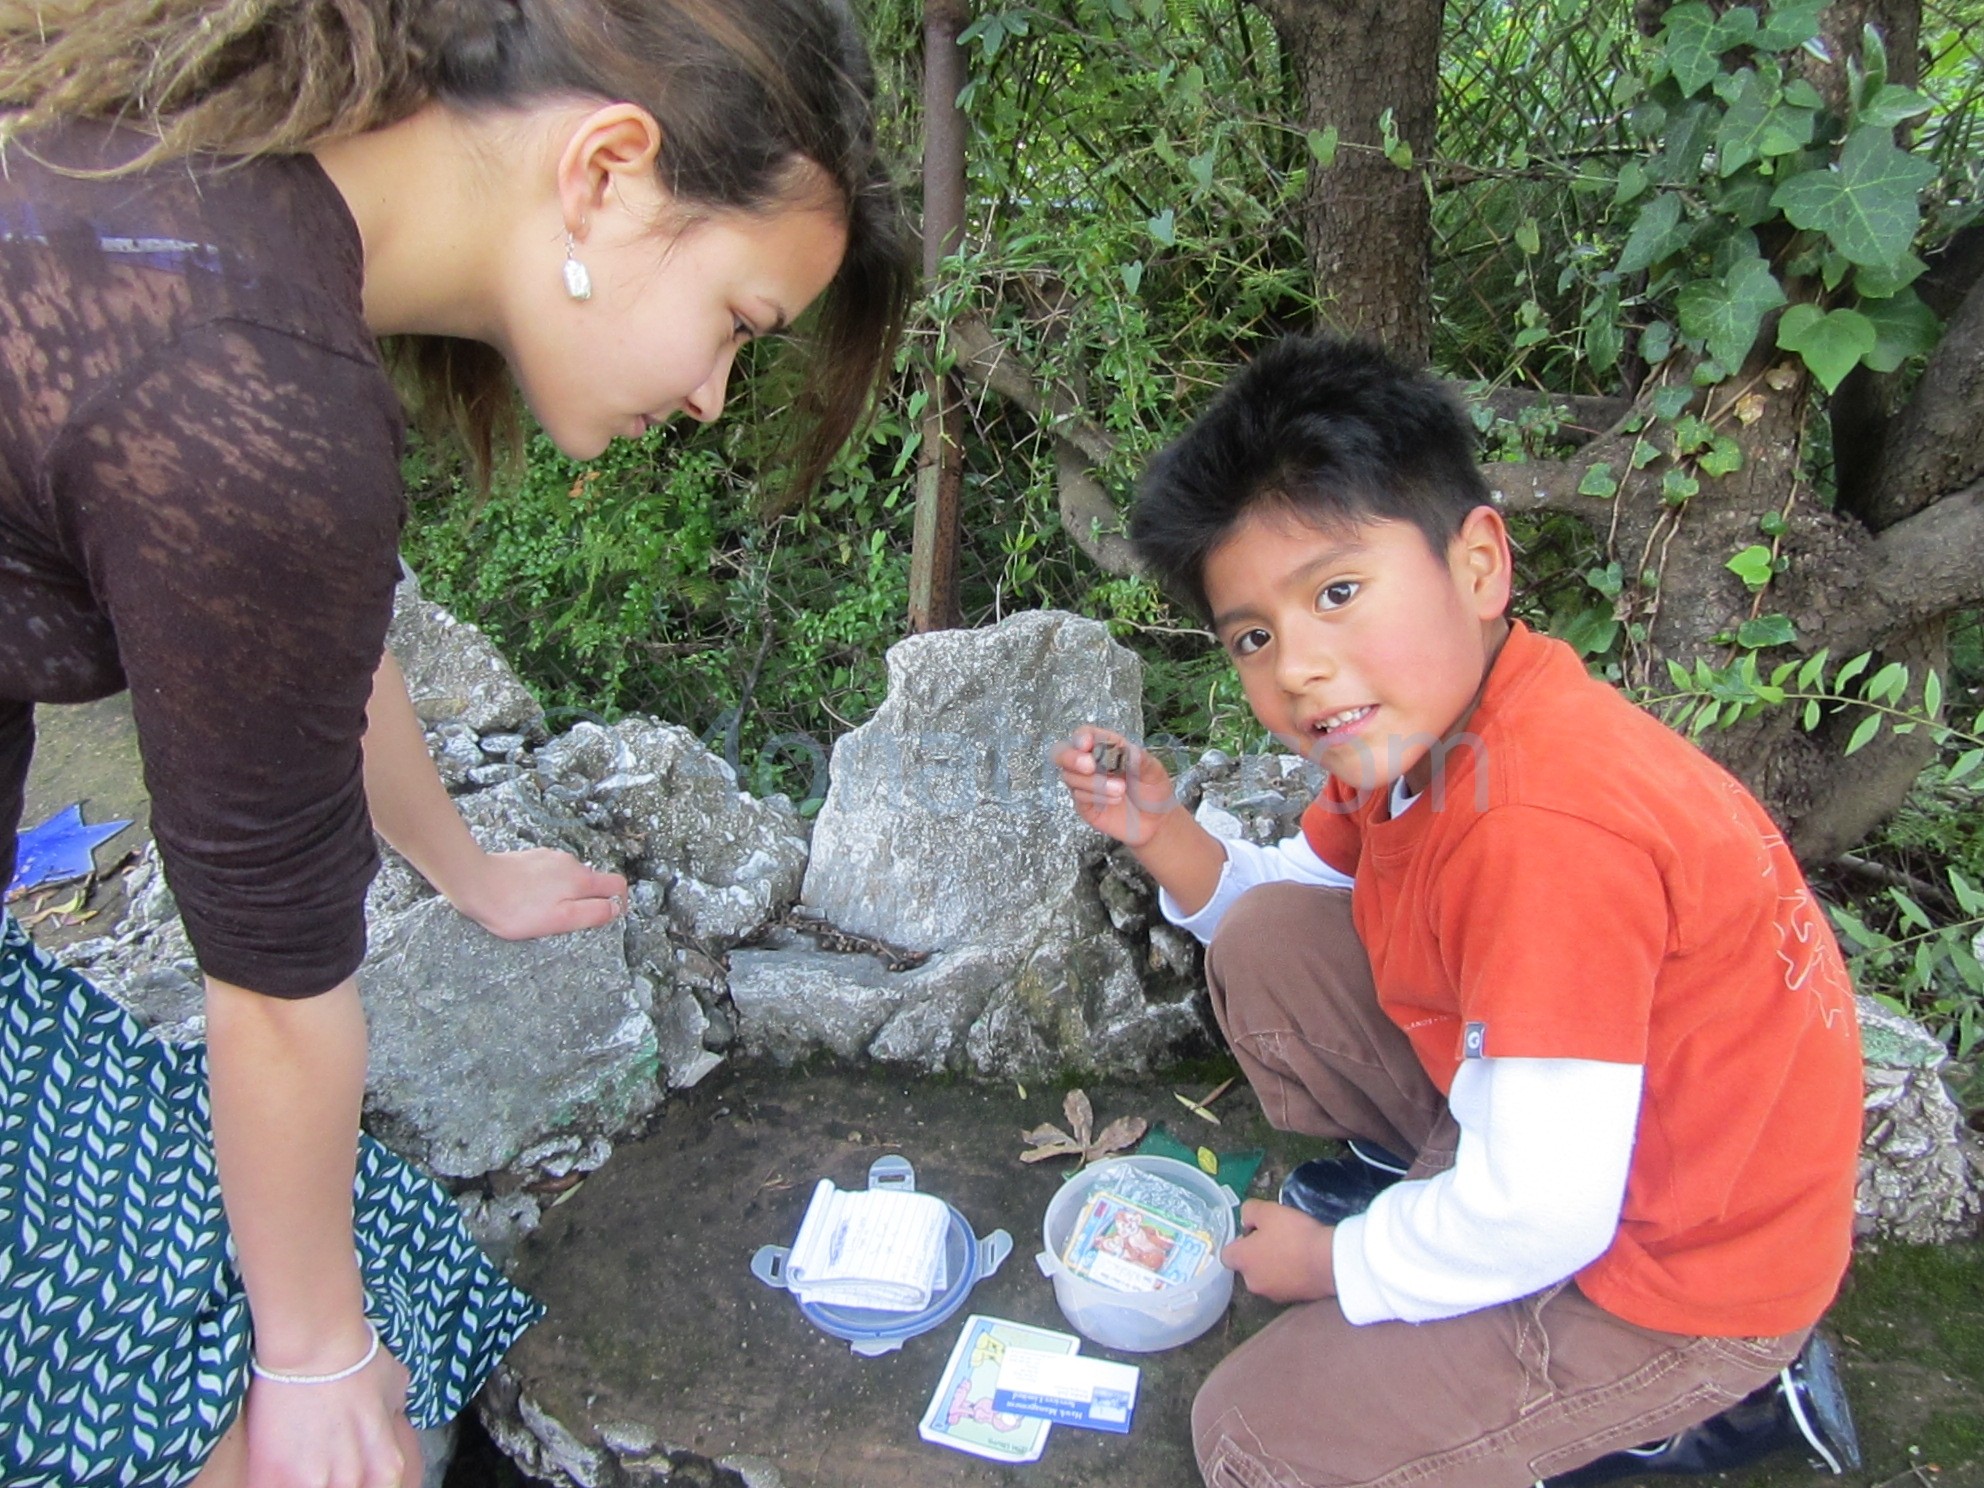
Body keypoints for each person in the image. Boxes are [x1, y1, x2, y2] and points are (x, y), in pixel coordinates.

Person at [0, 2, 912, 1485]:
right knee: (328, 1420)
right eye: (737, 323)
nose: (708, 394)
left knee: (407, 1258)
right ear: (606, 171)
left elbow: (307, 647)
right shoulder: (250, 388)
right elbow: (277, 990)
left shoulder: (228, 206)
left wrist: (464, 865)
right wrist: (311, 1360)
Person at [1055, 336, 1865, 1488]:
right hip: (1586, 1138)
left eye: (1337, 592)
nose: (1297, 668)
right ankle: (1433, 1211)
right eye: (1253, 636)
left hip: (1671, 1266)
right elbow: (1298, 901)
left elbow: (1545, 1210)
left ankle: (1711, 1406)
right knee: (1266, 945)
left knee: (1251, 1436)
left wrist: (1338, 1264)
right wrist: (1160, 833)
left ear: (1478, 564)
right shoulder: (1427, 738)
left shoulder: (1543, 826)